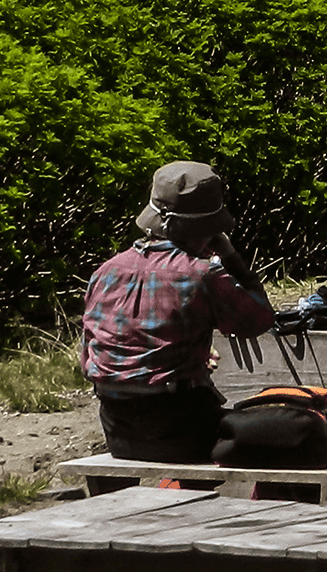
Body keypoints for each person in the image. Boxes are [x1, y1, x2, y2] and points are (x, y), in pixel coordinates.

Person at [80, 161, 276, 463]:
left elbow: (93, 355)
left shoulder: (105, 272)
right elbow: (259, 319)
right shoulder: (201, 275)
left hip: (118, 430)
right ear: (209, 231)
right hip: (182, 431)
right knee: (282, 432)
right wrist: (232, 259)